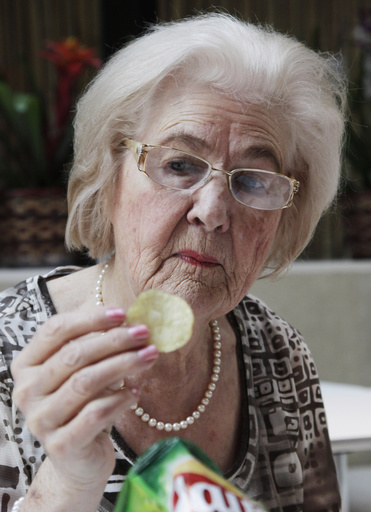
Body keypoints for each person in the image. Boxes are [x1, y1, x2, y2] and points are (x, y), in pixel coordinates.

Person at [0, 12, 346, 512]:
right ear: (109, 177)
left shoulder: (278, 353)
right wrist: (70, 484)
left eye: (252, 180)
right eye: (179, 165)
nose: (212, 211)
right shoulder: (9, 355)